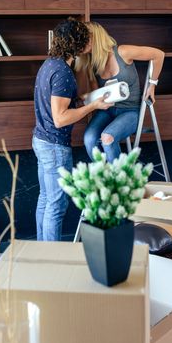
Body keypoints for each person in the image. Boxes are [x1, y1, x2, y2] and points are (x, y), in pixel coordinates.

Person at [32, 18, 113, 241]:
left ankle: (41, 251)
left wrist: (81, 99)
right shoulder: (63, 73)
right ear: (76, 43)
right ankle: (52, 258)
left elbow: (57, 104)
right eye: (86, 38)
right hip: (55, 146)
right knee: (56, 206)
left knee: (46, 199)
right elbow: (60, 118)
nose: (90, 42)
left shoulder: (49, 65)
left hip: (41, 140)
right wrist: (93, 106)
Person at [76, 21, 165, 163]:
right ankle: (105, 178)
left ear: (94, 38)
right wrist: (88, 99)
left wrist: (152, 85)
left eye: (83, 39)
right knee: (89, 139)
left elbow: (159, 55)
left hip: (130, 111)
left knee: (107, 137)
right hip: (106, 111)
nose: (79, 43)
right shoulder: (92, 63)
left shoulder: (123, 51)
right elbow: (97, 94)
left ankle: (119, 182)